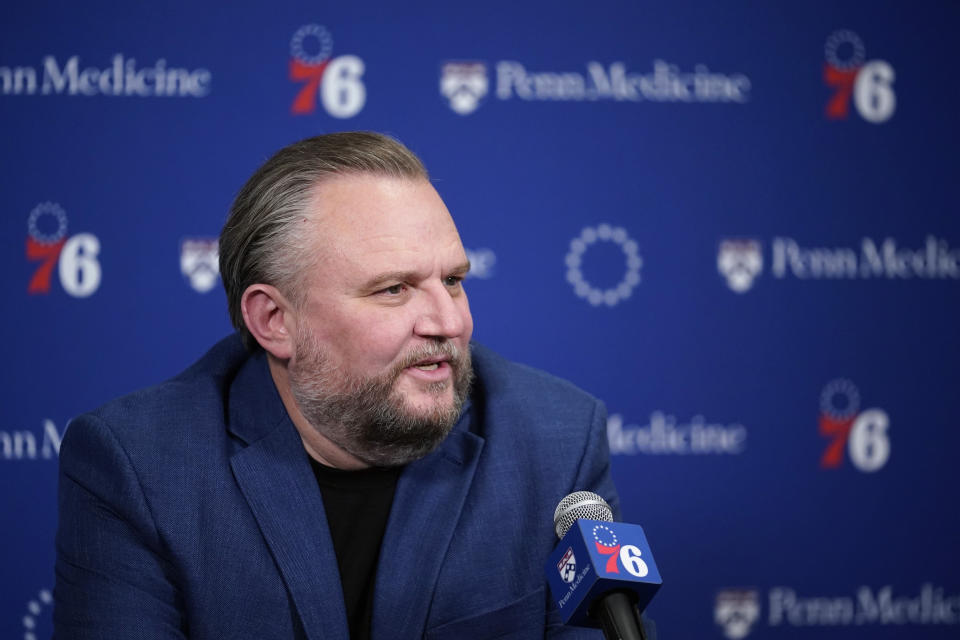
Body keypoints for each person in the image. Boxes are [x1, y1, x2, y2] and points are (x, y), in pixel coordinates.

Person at [54, 132, 626, 639]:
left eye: (452, 281)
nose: (450, 324)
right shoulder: (139, 467)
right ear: (276, 321)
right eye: (394, 289)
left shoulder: (556, 442)